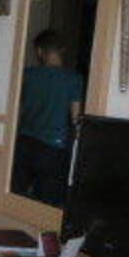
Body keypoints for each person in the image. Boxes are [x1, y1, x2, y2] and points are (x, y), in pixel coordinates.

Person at [13, 30, 85, 207]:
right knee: (48, 203)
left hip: (25, 142)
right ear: (62, 50)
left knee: (17, 196)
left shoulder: (27, 74)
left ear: (39, 51)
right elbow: (76, 119)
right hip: (54, 147)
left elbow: (17, 108)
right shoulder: (74, 79)